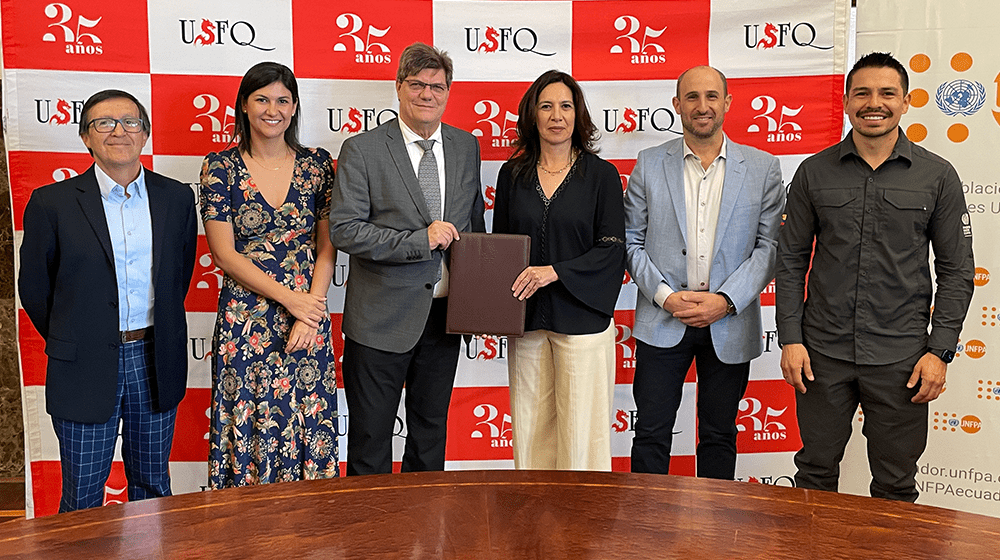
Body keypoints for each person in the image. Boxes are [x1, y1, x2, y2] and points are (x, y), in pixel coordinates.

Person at [776, 52, 975, 502]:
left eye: (887, 93)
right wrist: (790, 338)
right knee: (814, 473)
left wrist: (939, 351)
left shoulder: (937, 176)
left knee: (895, 484)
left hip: (901, 359)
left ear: (905, 102)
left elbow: (958, 271)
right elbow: (789, 260)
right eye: (862, 93)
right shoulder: (813, 171)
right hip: (821, 356)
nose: (874, 102)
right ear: (846, 101)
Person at [18, 89, 197, 512]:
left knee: (153, 487)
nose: (119, 131)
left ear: (145, 134)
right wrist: (76, 335)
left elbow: (179, 275)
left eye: (130, 122)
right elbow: (35, 290)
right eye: (104, 123)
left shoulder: (175, 197)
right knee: (82, 495)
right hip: (82, 363)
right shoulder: (52, 203)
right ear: (86, 137)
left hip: (154, 358)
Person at [329, 42, 485, 475]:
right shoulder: (362, 149)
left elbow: (473, 226)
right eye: (417, 84)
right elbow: (345, 229)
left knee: (430, 435)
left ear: (448, 91)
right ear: (398, 88)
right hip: (380, 319)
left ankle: (424, 533)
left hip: (444, 318)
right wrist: (421, 240)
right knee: (369, 439)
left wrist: (481, 302)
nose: (427, 94)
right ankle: (372, 538)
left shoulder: (465, 146)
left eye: (437, 86)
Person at [624, 66, 784, 479]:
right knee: (651, 433)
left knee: (719, 434)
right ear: (677, 105)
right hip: (663, 319)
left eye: (712, 96)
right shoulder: (648, 163)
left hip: (728, 323)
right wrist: (665, 297)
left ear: (727, 103)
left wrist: (725, 301)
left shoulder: (764, 168)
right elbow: (630, 241)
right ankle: (649, 531)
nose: (702, 106)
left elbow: (769, 248)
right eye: (692, 97)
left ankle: (715, 537)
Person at [200, 62, 339, 487]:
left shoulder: (317, 165)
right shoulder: (219, 167)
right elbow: (223, 254)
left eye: (282, 100)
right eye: (262, 99)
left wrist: (308, 311)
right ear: (244, 105)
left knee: (306, 419)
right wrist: (290, 299)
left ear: (295, 107)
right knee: (249, 418)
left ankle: (308, 536)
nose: (272, 109)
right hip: (246, 318)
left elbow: (327, 245)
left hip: (307, 317)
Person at [492, 70, 625, 470]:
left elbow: (612, 250)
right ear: (532, 115)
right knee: (531, 433)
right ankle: (535, 522)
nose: (556, 115)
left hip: (583, 320)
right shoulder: (511, 175)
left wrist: (554, 272)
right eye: (546, 106)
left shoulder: (601, 175)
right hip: (528, 322)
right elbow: (502, 249)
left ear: (577, 114)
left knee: (583, 436)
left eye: (565, 106)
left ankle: (585, 525)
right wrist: (493, 309)